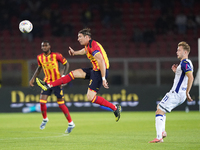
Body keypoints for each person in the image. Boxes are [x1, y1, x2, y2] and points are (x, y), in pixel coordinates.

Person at [36, 28, 121, 122]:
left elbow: (101, 61)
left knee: (90, 97)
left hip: (100, 71)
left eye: (80, 37)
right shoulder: (88, 46)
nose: (78, 39)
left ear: (87, 37)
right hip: (94, 70)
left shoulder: (93, 46)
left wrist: (103, 78)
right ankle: (48, 85)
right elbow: (84, 51)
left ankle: (115, 108)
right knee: (73, 73)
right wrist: (75, 53)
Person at [149, 41, 194, 143]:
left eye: (179, 50)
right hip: (178, 94)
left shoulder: (185, 63)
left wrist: (188, 92)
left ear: (185, 52)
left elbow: (190, 77)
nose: (177, 52)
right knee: (160, 107)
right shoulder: (187, 63)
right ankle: (162, 132)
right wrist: (176, 72)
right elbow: (184, 77)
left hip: (176, 94)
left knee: (159, 111)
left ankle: (159, 137)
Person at [29, 40, 75, 134]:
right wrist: (33, 78)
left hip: (57, 82)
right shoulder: (40, 57)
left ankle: (71, 123)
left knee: (61, 104)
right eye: (43, 46)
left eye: (46, 45)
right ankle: (45, 119)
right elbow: (39, 68)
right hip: (47, 82)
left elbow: (66, 64)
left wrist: (63, 76)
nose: (44, 47)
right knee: (42, 102)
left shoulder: (56, 55)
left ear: (49, 46)